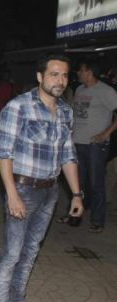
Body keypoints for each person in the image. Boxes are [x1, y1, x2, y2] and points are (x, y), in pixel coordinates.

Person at [0, 54, 83, 302]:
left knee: (30, 252)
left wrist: (76, 193)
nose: (60, 81)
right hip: (24, 189)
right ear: (40, 77)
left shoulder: (65, 112)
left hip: (50, 191)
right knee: (12, 254)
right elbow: (3, 152)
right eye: (54, 74)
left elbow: (67, 154)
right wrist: (12, 194)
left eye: (65, 76)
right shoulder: (18, 107)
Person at [57, 60, 117, 233]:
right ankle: (74, 215)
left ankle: (97, 220)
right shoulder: (80, 90)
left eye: (81, 71)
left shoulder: (106, 91)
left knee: (96, 183)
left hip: (95, 146)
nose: (78, 74)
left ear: (89, 73)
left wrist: (106, 133)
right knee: (76, 183)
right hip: (77, 143)